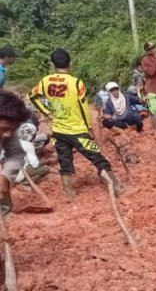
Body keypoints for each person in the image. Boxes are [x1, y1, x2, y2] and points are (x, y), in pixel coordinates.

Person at [29, 48, 124, 201]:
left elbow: (32, 96)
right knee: (97, 157)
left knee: (64, 161)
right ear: (70, 63)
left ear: (53, 64)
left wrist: (47, 112)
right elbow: (83, 108)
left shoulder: (46, 81)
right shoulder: (76, 83)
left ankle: (69, 194)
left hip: (59, 131)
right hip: (78, 131)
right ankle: (117, 186)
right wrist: (89, 128)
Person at [0, 91, 30, 216]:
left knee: (4, 204)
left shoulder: (8, 132)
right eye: (4, 129)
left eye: (13, 129)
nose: (8, 134)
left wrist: (5, 176)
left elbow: (17, 154)